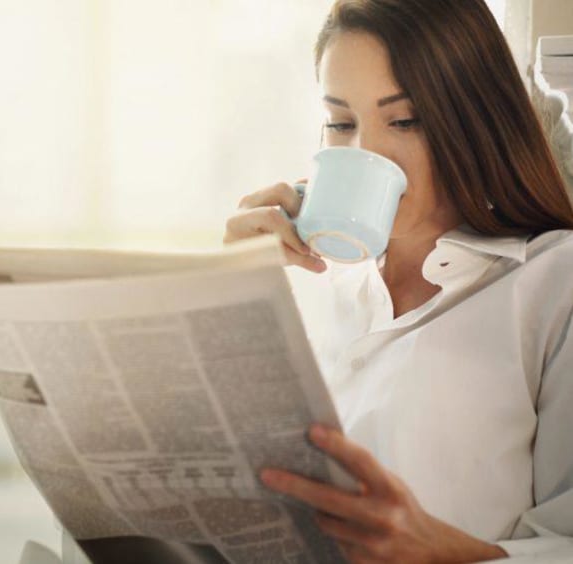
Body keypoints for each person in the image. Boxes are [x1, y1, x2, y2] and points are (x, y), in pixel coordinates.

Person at [223, 0, 573, 562]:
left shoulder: (552, 285)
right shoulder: (306, 283)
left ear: (477, 124)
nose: (366, 151)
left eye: (404, 120)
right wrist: (225, 294)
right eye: (341, 123)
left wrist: (445, 551)